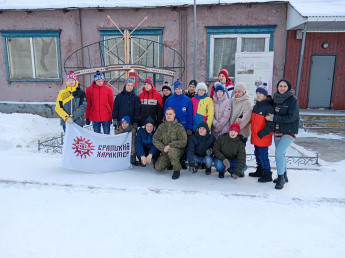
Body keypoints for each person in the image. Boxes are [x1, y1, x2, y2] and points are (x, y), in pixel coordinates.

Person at [265, 79, 299, 190]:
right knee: (282, 154)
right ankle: (284, 175)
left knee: (279, 153)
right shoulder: (276, 99)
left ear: (288, 87)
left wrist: (274, 118)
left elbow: (292, 117)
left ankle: (280, 179)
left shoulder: (293, 100)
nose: (282, 88)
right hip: (277, 131)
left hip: (289, 131)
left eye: (284, 86)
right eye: (280, 86)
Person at [164, 78, 193, 169]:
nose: (177, 90)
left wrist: (189, 127)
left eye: (179, 89)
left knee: (182, 143)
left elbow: (190, 115)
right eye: (176, 89)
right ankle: (171, 161)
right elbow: (165, 113)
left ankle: (182, 160)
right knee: (171, 142)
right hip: (171, 126)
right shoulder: (169, 99)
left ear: (182, 89)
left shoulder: (187, 100)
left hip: (183, 126)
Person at [249, 84, 275, 182]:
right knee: (257, 154)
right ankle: (260, 170)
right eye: (257, 93)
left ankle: (267, 174)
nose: (258, 95)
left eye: (260, 93)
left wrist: (261, 133)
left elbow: (271, 124)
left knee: (263, 156)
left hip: (263, 137)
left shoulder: (268, 107)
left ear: (265, 95)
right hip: (256, 136)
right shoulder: (256, 106)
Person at [152, 107, 188, 180]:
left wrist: (171, 145)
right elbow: (155, 139)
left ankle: (177, 170)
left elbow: (183, 141)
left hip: (177, 150)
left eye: (170, 114)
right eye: (167, 114)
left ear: (174, 115)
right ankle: (171, 162)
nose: (168, 116)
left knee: (172, 152)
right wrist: (163, 148)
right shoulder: (162, 127)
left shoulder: (179, 127)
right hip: (165, 151)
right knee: (158, 168)